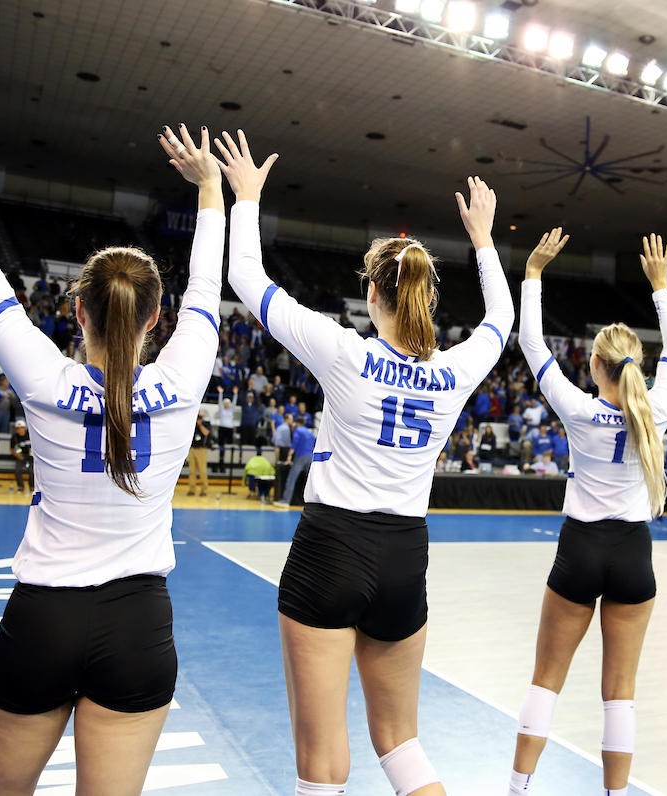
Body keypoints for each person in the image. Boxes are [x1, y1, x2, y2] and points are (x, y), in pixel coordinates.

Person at [0, 85, 225, 794]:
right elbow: (207, 288)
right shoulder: (183, 380)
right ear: (155, 320)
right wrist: (210, 189)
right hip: (139, 625)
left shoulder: (44, 378)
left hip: (44, 618)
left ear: (78, 311)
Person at [217, 127, 511, 796]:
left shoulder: (344, 351)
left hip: (332, 547)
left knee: (321, 760)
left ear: (372, 296)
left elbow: (245, 277)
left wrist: (247, 197)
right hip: (405, 554)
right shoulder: (456, 371)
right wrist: (484, 240)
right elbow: (501, 318)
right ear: (427, 300)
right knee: (402, 743)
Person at [510, 230, 667, 796]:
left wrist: (533, 274)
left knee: (546, 682)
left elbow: (531, 344)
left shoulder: (579, 409)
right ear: (637, 366)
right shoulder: (656, 409)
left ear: (593, 365)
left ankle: (517, 789)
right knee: (620, 693)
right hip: (633, 553)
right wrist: (660, 285)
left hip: (581, 547)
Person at [276, 416, 316, 508]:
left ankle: (285, 501)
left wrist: (289, 455)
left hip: (301, 456)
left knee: (291, 479)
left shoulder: (297, 430)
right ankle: (315, 503)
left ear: (297, 423)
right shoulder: (310, 432)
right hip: (310, 456)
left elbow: (295, 443)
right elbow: (314, 445)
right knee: (311, 481)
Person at [187, 410, 211, 496]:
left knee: (202, 471)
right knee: (192, 471)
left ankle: (204, 489)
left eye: (201, 416)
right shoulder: (192, 423)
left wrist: (200, 424)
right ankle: (192, 489)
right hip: (192, 449)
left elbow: (206, 433)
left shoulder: (206, 424)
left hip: (201, 449)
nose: (199, 417)